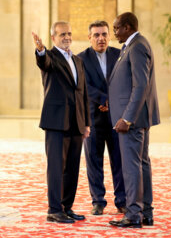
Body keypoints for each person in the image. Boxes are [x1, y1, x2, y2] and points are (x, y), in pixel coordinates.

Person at [32, 21, 91, 223]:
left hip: (77, 122)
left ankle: (67, 207)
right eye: (62, 34)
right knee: (56, 167)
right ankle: (54, 210)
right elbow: (44, 62)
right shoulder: (51, 57)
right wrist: (40, 50)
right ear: (53, 38)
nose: (66, 37)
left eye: (69, 33)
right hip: (56, 121)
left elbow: (83, 93)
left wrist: (87, 123)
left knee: (72, 168)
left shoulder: (78, 60)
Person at [107, 12, 160, 228]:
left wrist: (127, 118)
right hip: (137, 117)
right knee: (141, 164)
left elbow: (141, 85)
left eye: (117, 28)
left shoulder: (137, 46)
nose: (115, 32)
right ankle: (145, 212)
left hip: (132, 121)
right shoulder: (132, 45)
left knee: (131, 166)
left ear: (128, 27)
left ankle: (133, 215)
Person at [78, 20, 126, 215]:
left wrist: (112, 103)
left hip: (116, 119)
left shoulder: (119, 55)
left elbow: (125, 81)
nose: (101, 38)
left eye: (104, 34)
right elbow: (82, 85)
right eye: (96, 35)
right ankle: (98, 201)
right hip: (93, 118)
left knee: (119, 160)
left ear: (109, 36)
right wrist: (104, 99)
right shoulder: (80, 59)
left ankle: (122, 200)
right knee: (94, 160)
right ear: (89, 38)